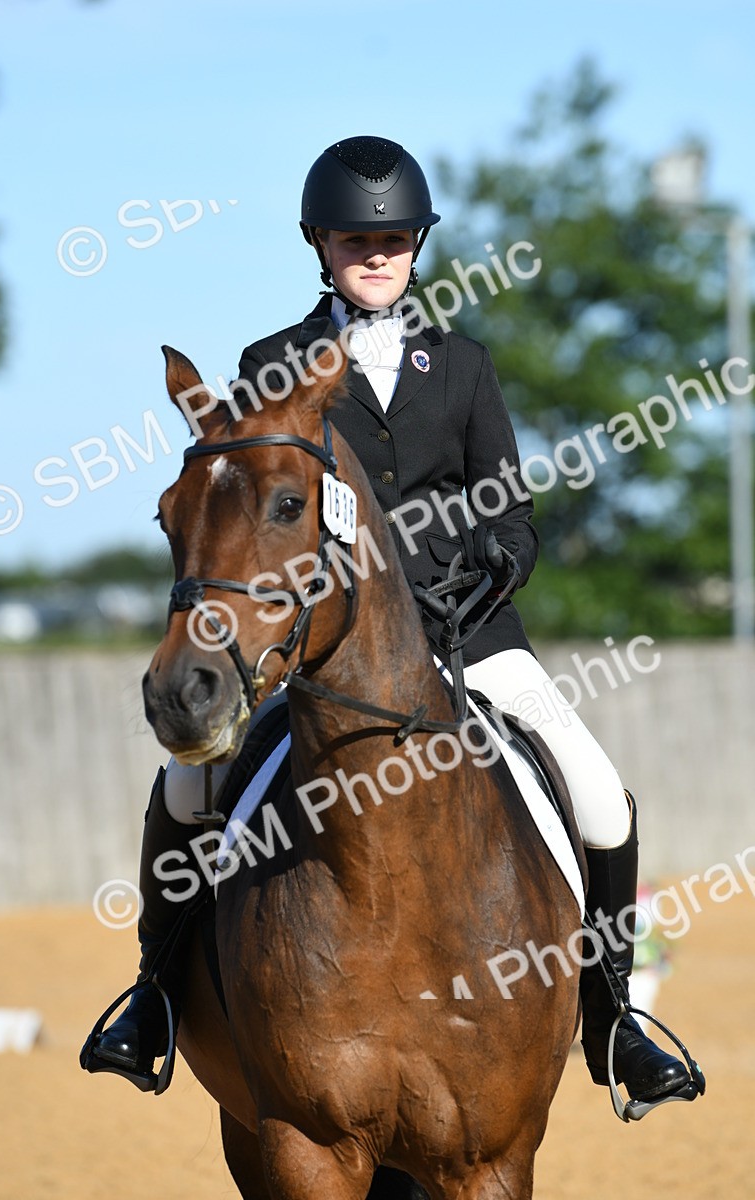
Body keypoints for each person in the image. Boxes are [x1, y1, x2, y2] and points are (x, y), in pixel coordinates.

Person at [84, 135, 696, 1109]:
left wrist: (495, 561)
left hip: (470, 636)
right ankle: (154, 996)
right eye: (354, 237)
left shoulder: (461, 364)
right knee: (189, 785)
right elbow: (251, 507)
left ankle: (615, 1018)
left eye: (394, 238)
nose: (375, 252)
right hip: (319, 646)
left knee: (598, 791)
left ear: (417, 246)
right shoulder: (272, 364)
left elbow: (510, 511)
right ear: (318, 244)